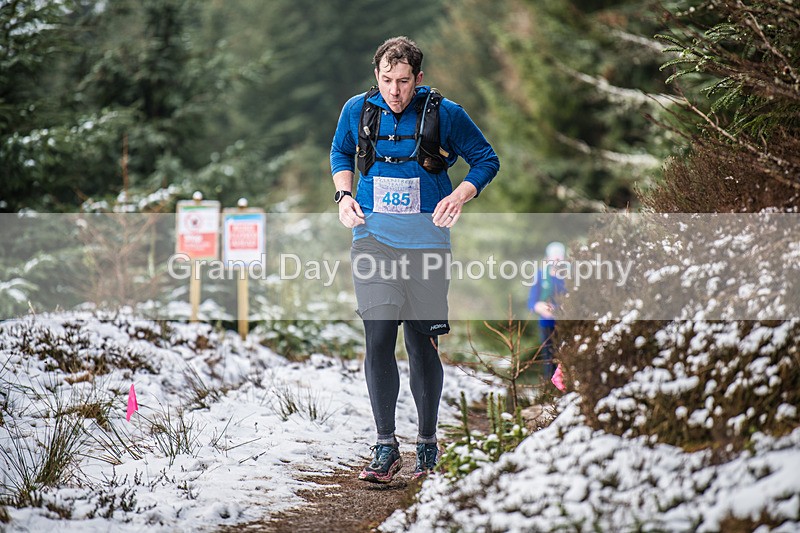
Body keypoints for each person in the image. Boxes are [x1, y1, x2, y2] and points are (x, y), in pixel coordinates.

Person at [330, 36, 499, 483]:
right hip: (373, 242)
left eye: (404, 81)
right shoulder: (357, 110)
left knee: (422, 343)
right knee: (378, 337)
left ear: (418, 78)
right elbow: (341, 151)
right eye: (387, 80)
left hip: (427, 246)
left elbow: (486, 160)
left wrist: (461, 195)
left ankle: (427, 444)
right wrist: (344, 195)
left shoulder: (445, 113)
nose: (395, 90)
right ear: (377, 76)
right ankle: (385, 446)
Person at [528, 241, 566, 383]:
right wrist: (540, 306)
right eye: (553, 256)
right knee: (549, 358)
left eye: (559, 256)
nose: (556, 260)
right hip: (547, 323)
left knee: (565, 358)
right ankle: (550, 387)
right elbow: (532, 302)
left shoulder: (569, 276)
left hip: (566, 324)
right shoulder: (541, 275)